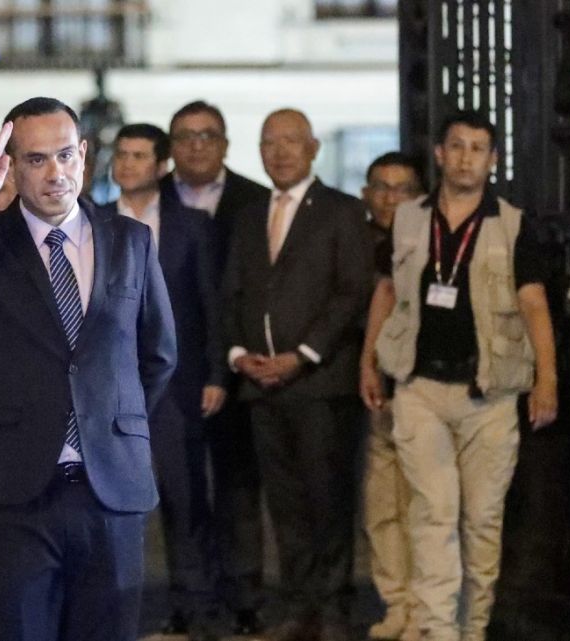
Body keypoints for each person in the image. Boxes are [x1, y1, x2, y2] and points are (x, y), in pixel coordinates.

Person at [0, 96, 177, 641]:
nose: (55, 173)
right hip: (14, 489)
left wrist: (110, 422)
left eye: (65, 155)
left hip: (110, 488)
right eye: (36, 159)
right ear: (9, 166)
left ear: (84, 154)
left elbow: (158, 353)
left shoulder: (130, 240)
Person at [368, 111, 558, 641]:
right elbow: (387, 290)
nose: (466, 158)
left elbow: (534, 303)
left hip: (489, 393)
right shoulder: (409, 219)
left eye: (477, 148)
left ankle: (472, 628)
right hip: (420, 388)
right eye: (457, 146)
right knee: (433, 512)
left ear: (492, 160)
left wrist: (546, 380)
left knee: (480, 521)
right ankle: (438, 630)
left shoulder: (513, 224)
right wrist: (369, 362)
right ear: (439, 154)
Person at [223, 108, 372, 641]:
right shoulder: (248, 216)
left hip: (319, 384)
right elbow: (232, 292)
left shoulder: (342, 211)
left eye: (291, 141)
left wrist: (303, 354)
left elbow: (352, 292)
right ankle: (296, 606)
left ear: (313, 148)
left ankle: (333, 608)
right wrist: (238, 354)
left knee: (327, 500)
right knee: (283, 504)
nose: (280, 152)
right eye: (270, 142)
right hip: (260, 386)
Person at [99, 123, 222, 641]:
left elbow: (211, 303)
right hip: (105, 384)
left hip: (175, 380)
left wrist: (216, 373)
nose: (127, 164)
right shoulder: (90, 221)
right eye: (121, 155)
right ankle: (108, 612)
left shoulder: (191, 224)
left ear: (162, 165)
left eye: (139, 155)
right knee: (104, 500)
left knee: (184, 496)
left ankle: (196, 610)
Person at [159, 99, 270, 636]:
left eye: (207, 135)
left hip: (241, 364)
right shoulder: (149, 198)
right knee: (179, 494)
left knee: (238, 488)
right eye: (185, 136)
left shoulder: (256, 200)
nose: (197, 145)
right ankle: (190, 598)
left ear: (225, 144)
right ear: (171, 146)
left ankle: (244, 598)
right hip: (172, 373)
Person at [356, 152, 425, 641]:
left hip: (422, 387)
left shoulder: (429, 236)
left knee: (424, 503)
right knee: (382, 505)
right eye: (381, 187)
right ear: (366, 193)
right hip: (374, 388)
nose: (390, 198)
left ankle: (424, 607)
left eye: (402, 189)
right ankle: (396, 601)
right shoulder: (353, 239)